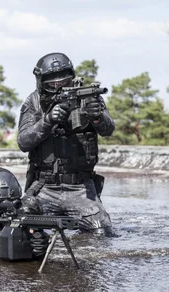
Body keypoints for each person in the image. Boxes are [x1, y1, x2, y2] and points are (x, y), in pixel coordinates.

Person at [17, 52, 115, 236]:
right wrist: (47, 121)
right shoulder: (33, 101)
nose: (58, 87)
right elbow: (23, 142)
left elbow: (108, 129)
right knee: (21, 228)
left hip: (80, 188)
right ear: (42, 82)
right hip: (43, 187)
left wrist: (97, 117)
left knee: (101, 232)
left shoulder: (89, 97)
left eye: (63, 82)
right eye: (52, 84)